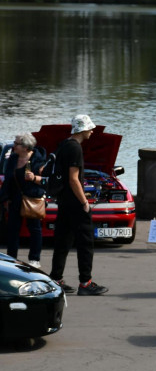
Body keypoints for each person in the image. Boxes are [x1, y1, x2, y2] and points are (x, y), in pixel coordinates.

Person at [49, 114, 108, 296]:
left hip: (63, 200)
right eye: (90, 128)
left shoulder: (64, 145)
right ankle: (85, 282)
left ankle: (56, 279)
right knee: (85, 243)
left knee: (63, 241)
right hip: (75, 202)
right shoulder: (75, 148)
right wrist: (84, 202)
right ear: (82, 129)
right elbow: (73, 179)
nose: (92, 131)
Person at [1, 134, 46, 267]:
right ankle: (11, 259)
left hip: (32, 198)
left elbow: (46, 181)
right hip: (15, 199)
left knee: (35, 229)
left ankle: (34, 259)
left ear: (26, 147)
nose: (14, 146)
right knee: (12, 230)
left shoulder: (38, 159)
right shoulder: (13, 158)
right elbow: (8, 180)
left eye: (16, 144)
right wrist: (5, 198)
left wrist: (34, 178)